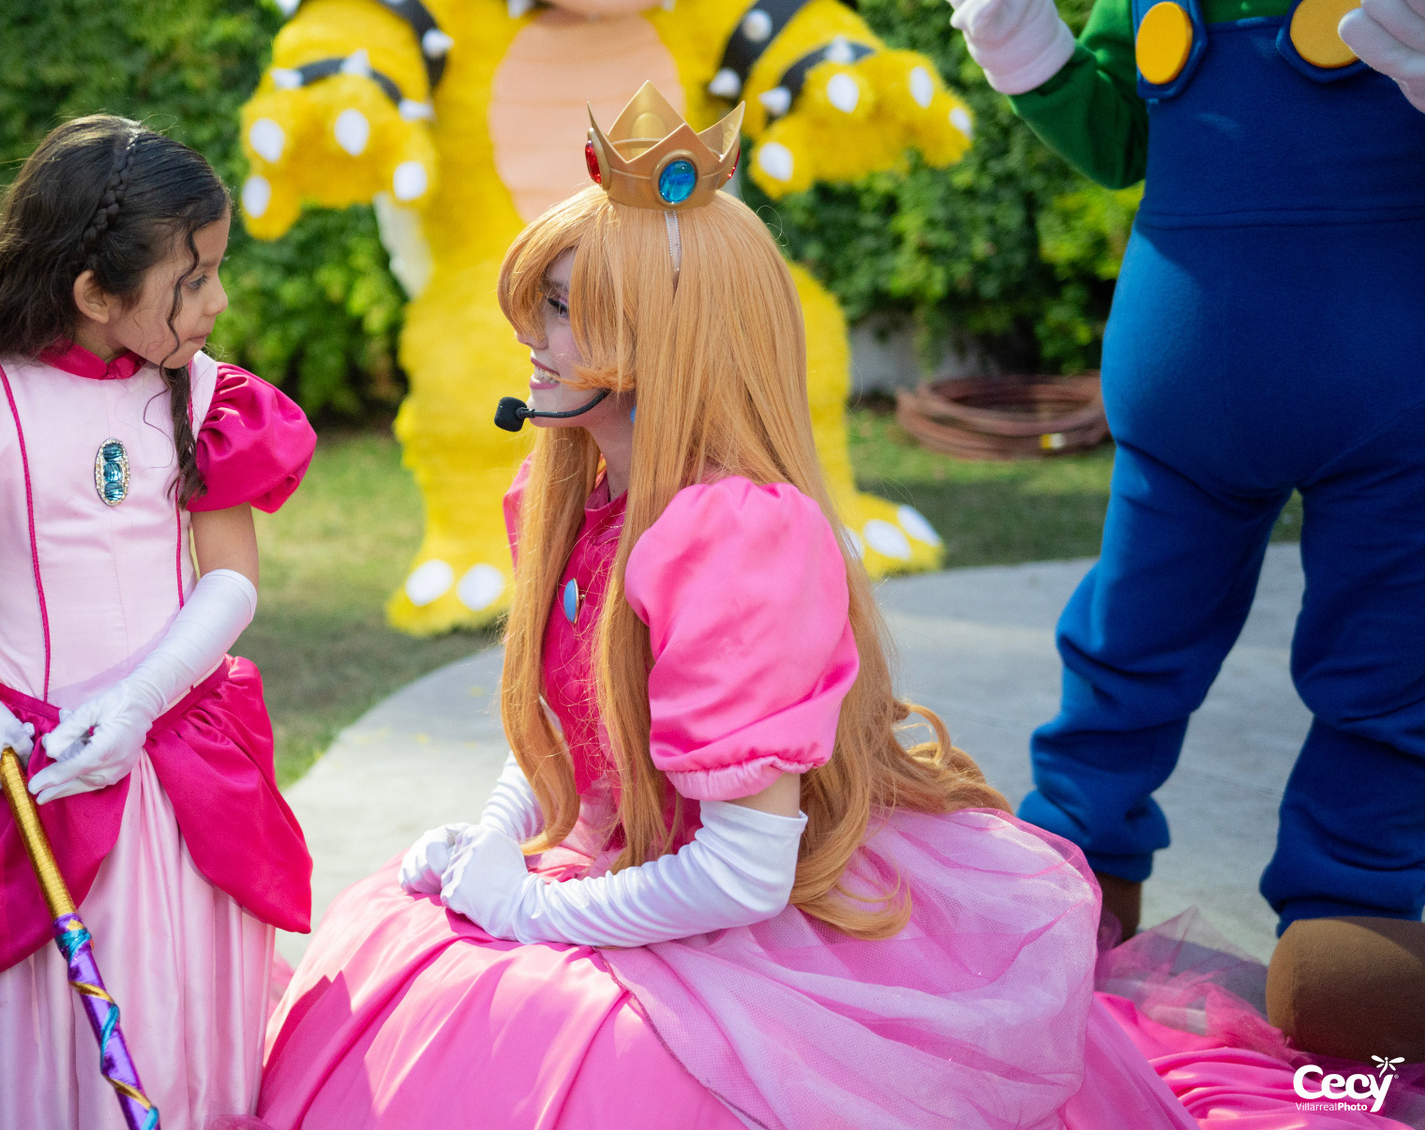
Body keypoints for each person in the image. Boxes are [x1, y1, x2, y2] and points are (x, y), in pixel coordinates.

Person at [254, 87, 1398, 1129]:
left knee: (576, 1039)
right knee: (407, 939)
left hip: (758, 923)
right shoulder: (570, 498)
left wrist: (534, 911)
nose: (528, 336)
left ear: (663, 337)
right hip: (635, 872)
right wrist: (500, 842)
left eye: (561, 308)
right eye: (539, 302)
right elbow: (568, 726)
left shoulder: (732, 540)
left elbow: (745, 871)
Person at [940, 0, 1425, 1058]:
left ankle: (1352, 906)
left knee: (1385, 656)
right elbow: (1120, 137)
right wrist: (1034, 58)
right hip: (1183, 399)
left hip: (1393, 397)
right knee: (1126, 637)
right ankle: (1072, 858)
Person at [0, 116, 314, 1130]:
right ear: (94, 292)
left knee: (170, 1026)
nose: (218, 301)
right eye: (194, 278)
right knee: (34, 1048)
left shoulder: (205, 395)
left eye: (217, 270)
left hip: (171, 769)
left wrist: (138, 701)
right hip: (24, 771)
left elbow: (230, 579)